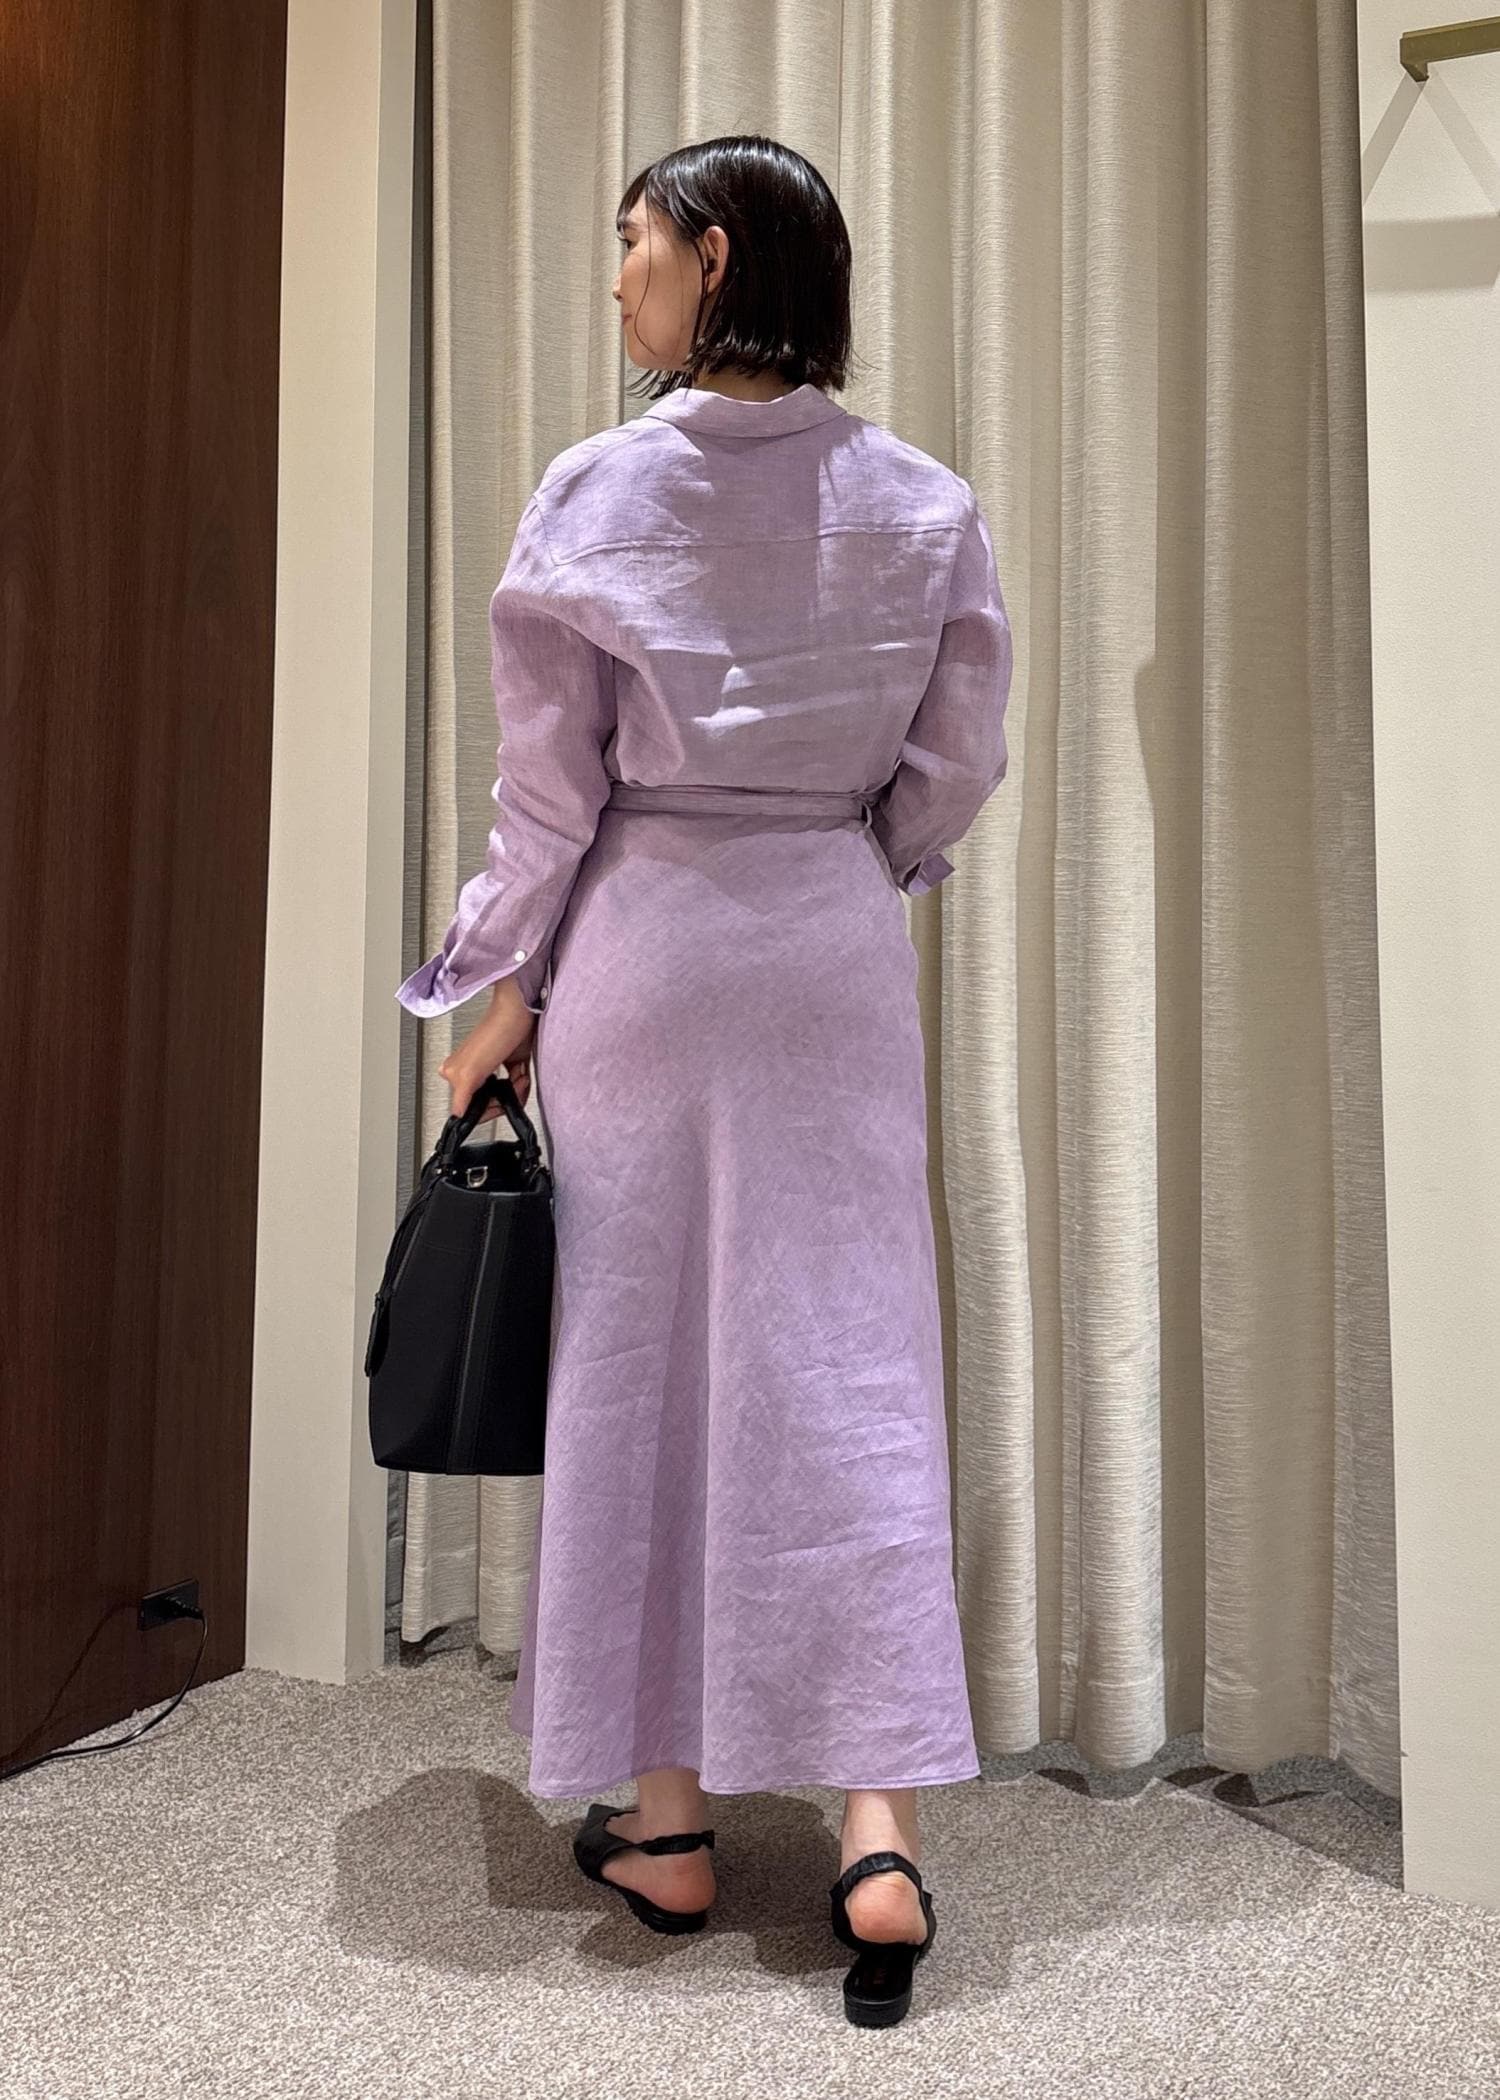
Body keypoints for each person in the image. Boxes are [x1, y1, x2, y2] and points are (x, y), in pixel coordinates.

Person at [395, 133, 1013, 2028]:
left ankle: (662, 1824)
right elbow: (955, 762)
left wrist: (492, 985)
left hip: (648, 954)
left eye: (635, 244)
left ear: (715, 256)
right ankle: (879, 1834)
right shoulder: (923, 502)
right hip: (827, 951)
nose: (617, 281)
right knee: (854, 1360)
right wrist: (843, 860)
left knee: (639, 1365)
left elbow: (548, 795)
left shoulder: (597, 490)